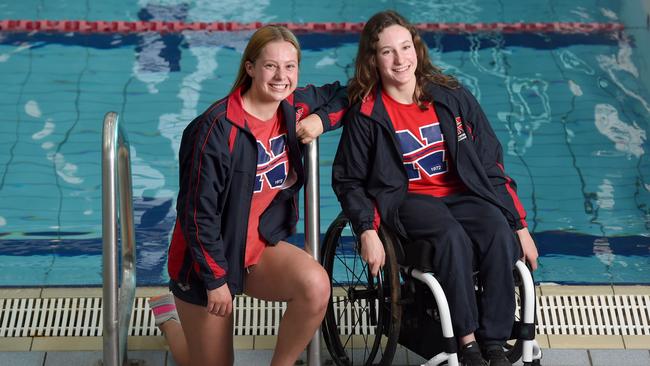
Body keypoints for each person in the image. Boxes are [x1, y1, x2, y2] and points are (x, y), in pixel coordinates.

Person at [331, 10, 539, 366]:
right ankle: (468, 342)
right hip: (407, 200)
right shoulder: (367, 113)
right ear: (372, 60)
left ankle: (494, 343)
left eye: (405, 47)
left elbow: (490, 163)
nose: (400, 60)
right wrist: (366, 229)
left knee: (496, 231)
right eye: (387, 52)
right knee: (450, 236)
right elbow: (348, 179)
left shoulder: (450, 96)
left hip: (462, 195)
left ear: (417, 49)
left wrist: (519, 225)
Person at [149, 24, 347, 366]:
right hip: (203, 265)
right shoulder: (215, 129)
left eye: (290, 66)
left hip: (255, 249)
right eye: (271, 66)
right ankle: (169, 319)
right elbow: (198, 214)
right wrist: (215, 281)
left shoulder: (292, 107)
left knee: (315, 286)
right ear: (251, 67)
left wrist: (320, 121)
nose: (281, 76)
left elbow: (347, 95)